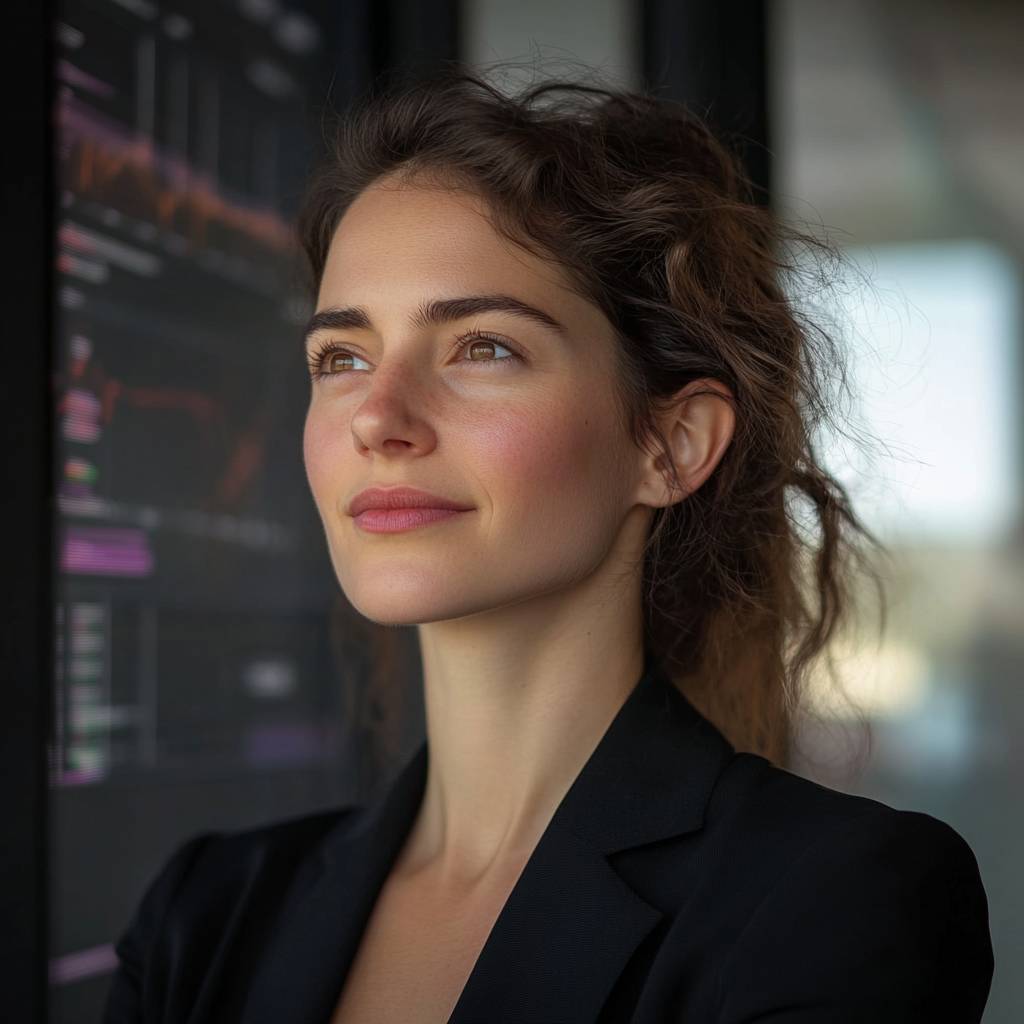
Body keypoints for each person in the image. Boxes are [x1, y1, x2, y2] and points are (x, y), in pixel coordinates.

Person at [102, 62, 994, 1023]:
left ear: (670, 444)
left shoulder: (835, 902)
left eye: (482, 347)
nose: (378, 419)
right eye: (343, 357)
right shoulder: (204, 917)